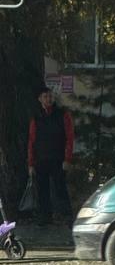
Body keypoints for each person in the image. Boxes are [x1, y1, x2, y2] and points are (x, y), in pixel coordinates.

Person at [27, 86, 75, 225]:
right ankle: (45, 216)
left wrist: (67, 158)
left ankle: (66, 215)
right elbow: (31, 141)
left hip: (58, 158)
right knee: (43, 190)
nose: (48, 99)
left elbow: (69, 137)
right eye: (45, 97)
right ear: (40, 99)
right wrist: (31, 163)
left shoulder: (62, 115)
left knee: (60, 187)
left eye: (50, 96)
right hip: (41, 159)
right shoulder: (36, 118)